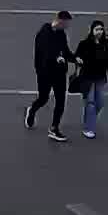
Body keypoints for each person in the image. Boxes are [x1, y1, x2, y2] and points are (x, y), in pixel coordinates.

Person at [25, 11, 77, 141]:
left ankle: (54, 128)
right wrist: (56, 57)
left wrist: (75, 59)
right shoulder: (44, 33)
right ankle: (32, 110)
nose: (67, 26)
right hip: (45, 73)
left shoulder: (61, 34)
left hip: (60, 73)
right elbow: (45, 51)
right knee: (43, 98)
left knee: (61, 101)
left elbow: (65, 51)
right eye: (66, 24)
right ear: (60, 21)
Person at [74, 20, 108, 138]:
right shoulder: (84, 44)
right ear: (92, 31)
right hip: (87, 77)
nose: (99, 31)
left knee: (100, 103)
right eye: (97, 29)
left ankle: (89, 118)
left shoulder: (106, 44)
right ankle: (88, 128)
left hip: (100, 78)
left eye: (101, 29)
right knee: (90, 103)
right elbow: (77, 55)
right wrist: (78, 59)